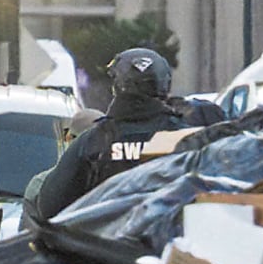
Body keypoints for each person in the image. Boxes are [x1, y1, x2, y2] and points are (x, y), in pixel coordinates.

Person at [27, 48, 191, 223]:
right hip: (171, 238)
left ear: (117, 87)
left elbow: (49, 206)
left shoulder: (92, 142)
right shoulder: (187, 138)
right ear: (164, 86)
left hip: (102, 239)